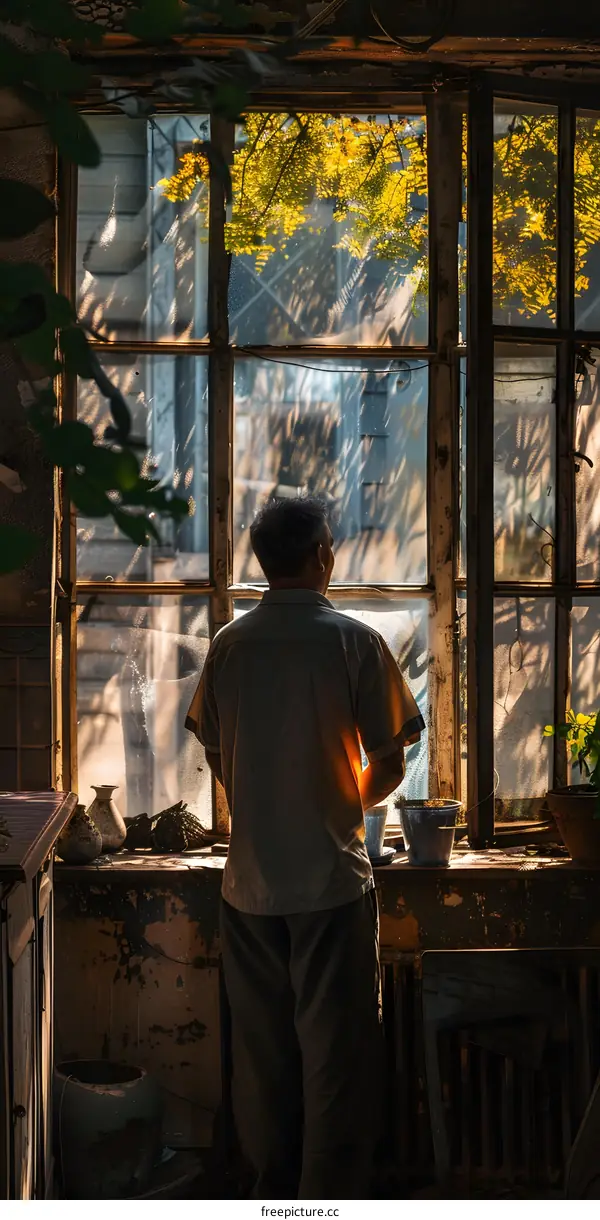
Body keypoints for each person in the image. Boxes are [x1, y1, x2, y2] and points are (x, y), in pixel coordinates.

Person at [186, 496, 424, 1200]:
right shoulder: (352, 641)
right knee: (335, 1064)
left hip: (249, 890)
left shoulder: (230, 645)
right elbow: (388, 759)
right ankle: (328, 1201)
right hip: (332, 887)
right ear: (323, 555)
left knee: (263, 1064)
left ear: (264, 561)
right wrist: (343, 803)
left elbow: (217, 753)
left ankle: (273, 1197)